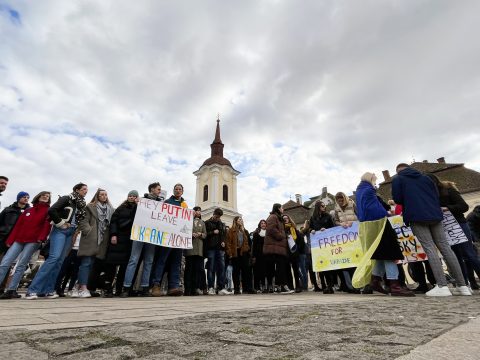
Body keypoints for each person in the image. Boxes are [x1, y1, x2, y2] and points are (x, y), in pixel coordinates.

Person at [392, 164, 470, 296]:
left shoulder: (398, 179)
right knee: (445, 247)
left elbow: (398, 199)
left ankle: (442, 286)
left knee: (429, 248)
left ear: (398, 171)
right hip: (435, 214)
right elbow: (436, 194)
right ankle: (463, 286)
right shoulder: (426, 177)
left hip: (416, 216)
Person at [354, 173, 414, 296]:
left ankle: (375, 280)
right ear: (370, 179)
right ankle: (394, 285)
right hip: (379, 223)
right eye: (374, 180)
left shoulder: (360, 191)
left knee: (380, 254)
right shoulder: (369, 190)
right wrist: (387, 214)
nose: (375, 183)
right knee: (390, 253)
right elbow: (373, 208)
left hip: (368, 225)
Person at [26, 183, 88, 299]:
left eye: (87, 190)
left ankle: (48, 290)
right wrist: (60, 223)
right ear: (77, 190)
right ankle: (32, 290)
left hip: (71, 231)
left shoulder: (81, 204)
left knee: (60, 261)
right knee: (54, 257)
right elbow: (52, 210)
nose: (86, 191)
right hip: (60, 230)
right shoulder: (67, 198)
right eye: (84, 189)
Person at [426, 175, 480, 289]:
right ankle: (463, 284)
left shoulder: (448, 189)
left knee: (469, 254)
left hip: (459, 224)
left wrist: (447, 208)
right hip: (445, 227)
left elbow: (464, 206)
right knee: (455, 256)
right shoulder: (429, 195)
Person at [0, 192, 51, 299]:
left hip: (33, 241)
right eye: (43, 195)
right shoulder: (28, 211)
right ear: (38, 197)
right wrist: (10, 240)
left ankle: (11, 290)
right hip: (18, 240)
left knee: (21, 264)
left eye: (47, 197)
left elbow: (46, 226)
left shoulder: (48, 211)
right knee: (5, 263)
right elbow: (17, 227)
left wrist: (41, 238)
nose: (45, 197)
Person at [121, 183, 161, 297]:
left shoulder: (160, 204)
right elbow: (133, 215)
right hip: (140, 233)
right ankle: (126, 287)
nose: (159, 191)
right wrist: (136, 205)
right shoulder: (142, 201)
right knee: (133, 260)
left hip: (152, 235)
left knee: (149, 261)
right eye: (158, 189)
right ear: (152, 189)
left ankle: (145, 287)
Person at [74, 189, 114, 298]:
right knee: (86, 262)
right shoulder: (90, 206)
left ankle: (79, 286)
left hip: (103, 240)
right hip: (91, 237)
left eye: (106, 194)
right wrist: (88, 231)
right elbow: (83, 220)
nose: (104, 196)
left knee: (93, 265)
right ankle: (82, 287)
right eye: (102, 194)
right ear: (97, 195)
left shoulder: (111, 209)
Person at [151, 184, 188, 297]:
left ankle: (173, 286)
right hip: (167, 237)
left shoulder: (185, 205)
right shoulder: (167, 202)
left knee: (176, 263)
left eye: (179, 189)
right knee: (162, 260)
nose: (177, 191)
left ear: (182, 191)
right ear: (173, 191)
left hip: (178, 238)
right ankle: (156, 285)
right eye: (176, 189)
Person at [104, 190, 138, 297]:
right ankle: (108, 289)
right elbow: (114, 221)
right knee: (112, 265)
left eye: (134, 196)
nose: (131, 197)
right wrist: (113, 234)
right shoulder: (120, 208)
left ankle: (119, 289)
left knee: (124, 266)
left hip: (129, 240)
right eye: (130, 196)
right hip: (118, 238)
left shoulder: (139, 209)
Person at [263, 203, 294, 294]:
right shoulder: (273, 217)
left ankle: (280, 286)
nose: (283, 209)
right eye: (282, 208)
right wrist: (281, 236)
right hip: (274, 246)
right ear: (278, 208)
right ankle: (281, 286)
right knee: (279, 266)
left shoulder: (278, 217)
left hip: (278, 247)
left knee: (281, 266)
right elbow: (271, 229)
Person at [333, 192, 359, 293]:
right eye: (338, 201)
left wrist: (353, 222)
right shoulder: (336, 208)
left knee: (357, 259)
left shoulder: (352, 204)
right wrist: (340, 224)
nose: (340, 202)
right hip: (344, 237)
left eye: (341, 200)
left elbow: (360, 216)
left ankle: (360, 284)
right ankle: (350, 286)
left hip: (355, 234)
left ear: (345, 199)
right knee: (347, 262)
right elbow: (335, 221)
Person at [309, 201, 336, 293]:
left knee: (329, 265)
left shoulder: (328, 216)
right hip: (318, 245)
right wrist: (312, 230)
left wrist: (326, 229)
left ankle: (330, 286)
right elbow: (310, 228)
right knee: (322, 266)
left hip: (328, 243)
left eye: (324, 206)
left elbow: (333, 228)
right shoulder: (313, 218)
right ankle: (326, 286)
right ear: (318, 207)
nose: (324, 207)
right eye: (322, 206)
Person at [204, 208, 231, 295]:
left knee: (221, 268)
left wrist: (223, 242)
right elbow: (205, 235)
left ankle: (221, 288)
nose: (217, 218)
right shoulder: (207, 223)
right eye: (216, 216)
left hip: (220, 249)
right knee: (211, 268)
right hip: (211, 248)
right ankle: (211, 287)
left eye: (219, 217)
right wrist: (213, 232)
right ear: (213, 214)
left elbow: (223, 234)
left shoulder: (222, 224)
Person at [226, 216, 253, 294]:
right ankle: (237, 289)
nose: (241, 221)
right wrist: (230, 253)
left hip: (243, 252)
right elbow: (228, 243)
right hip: (235, 252)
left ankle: (247, 288)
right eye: (239, 219)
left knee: (246, 271)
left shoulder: (244, 231)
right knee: (236, 272)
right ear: (235, 221)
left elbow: (248, 242)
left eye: (241, 219)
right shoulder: (231, 230)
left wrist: (247, 249)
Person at [184, 206, 207, 296]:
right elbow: (184, 230)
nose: (198, 212)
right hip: (190, 249)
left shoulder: (202, 223)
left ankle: (194, 288)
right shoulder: (188, 221)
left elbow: (205, 234)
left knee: (197, 270)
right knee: (189, 269)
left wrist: (200, 234)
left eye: (199, 211)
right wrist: (191, 234)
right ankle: (187, 289)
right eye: (196, 210)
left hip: (199, 250)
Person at [0, 191, 30, 258]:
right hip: (3, 236)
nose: (26, 199)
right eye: (24, 197)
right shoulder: (8, 209)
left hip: (16, 239)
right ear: (18, 198)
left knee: (7, 259)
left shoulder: (29, 211)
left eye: (28, 197)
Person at [282, 214, 305, 293]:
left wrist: (297, 248)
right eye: (284, 218)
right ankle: (291, 286)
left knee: (296, 270)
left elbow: (300, 239)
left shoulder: (293, 228)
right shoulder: (281, 230)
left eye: (286, 218)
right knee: (287, 270)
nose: (285, 219)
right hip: (285, 252)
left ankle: (298, 286)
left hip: (294, 252)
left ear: (289, 219)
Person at [251, 220, 268, 293]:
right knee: (257, 272)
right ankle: (257, 287)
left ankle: (264, 287)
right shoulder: (256, 233)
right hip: (258, 255)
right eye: (262, 223)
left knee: (264, 271)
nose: (263, 224)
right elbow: (254, 245)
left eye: (264, 223)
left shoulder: (268, 233)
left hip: (266, 254)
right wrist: (254, 256)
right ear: (259, 225)